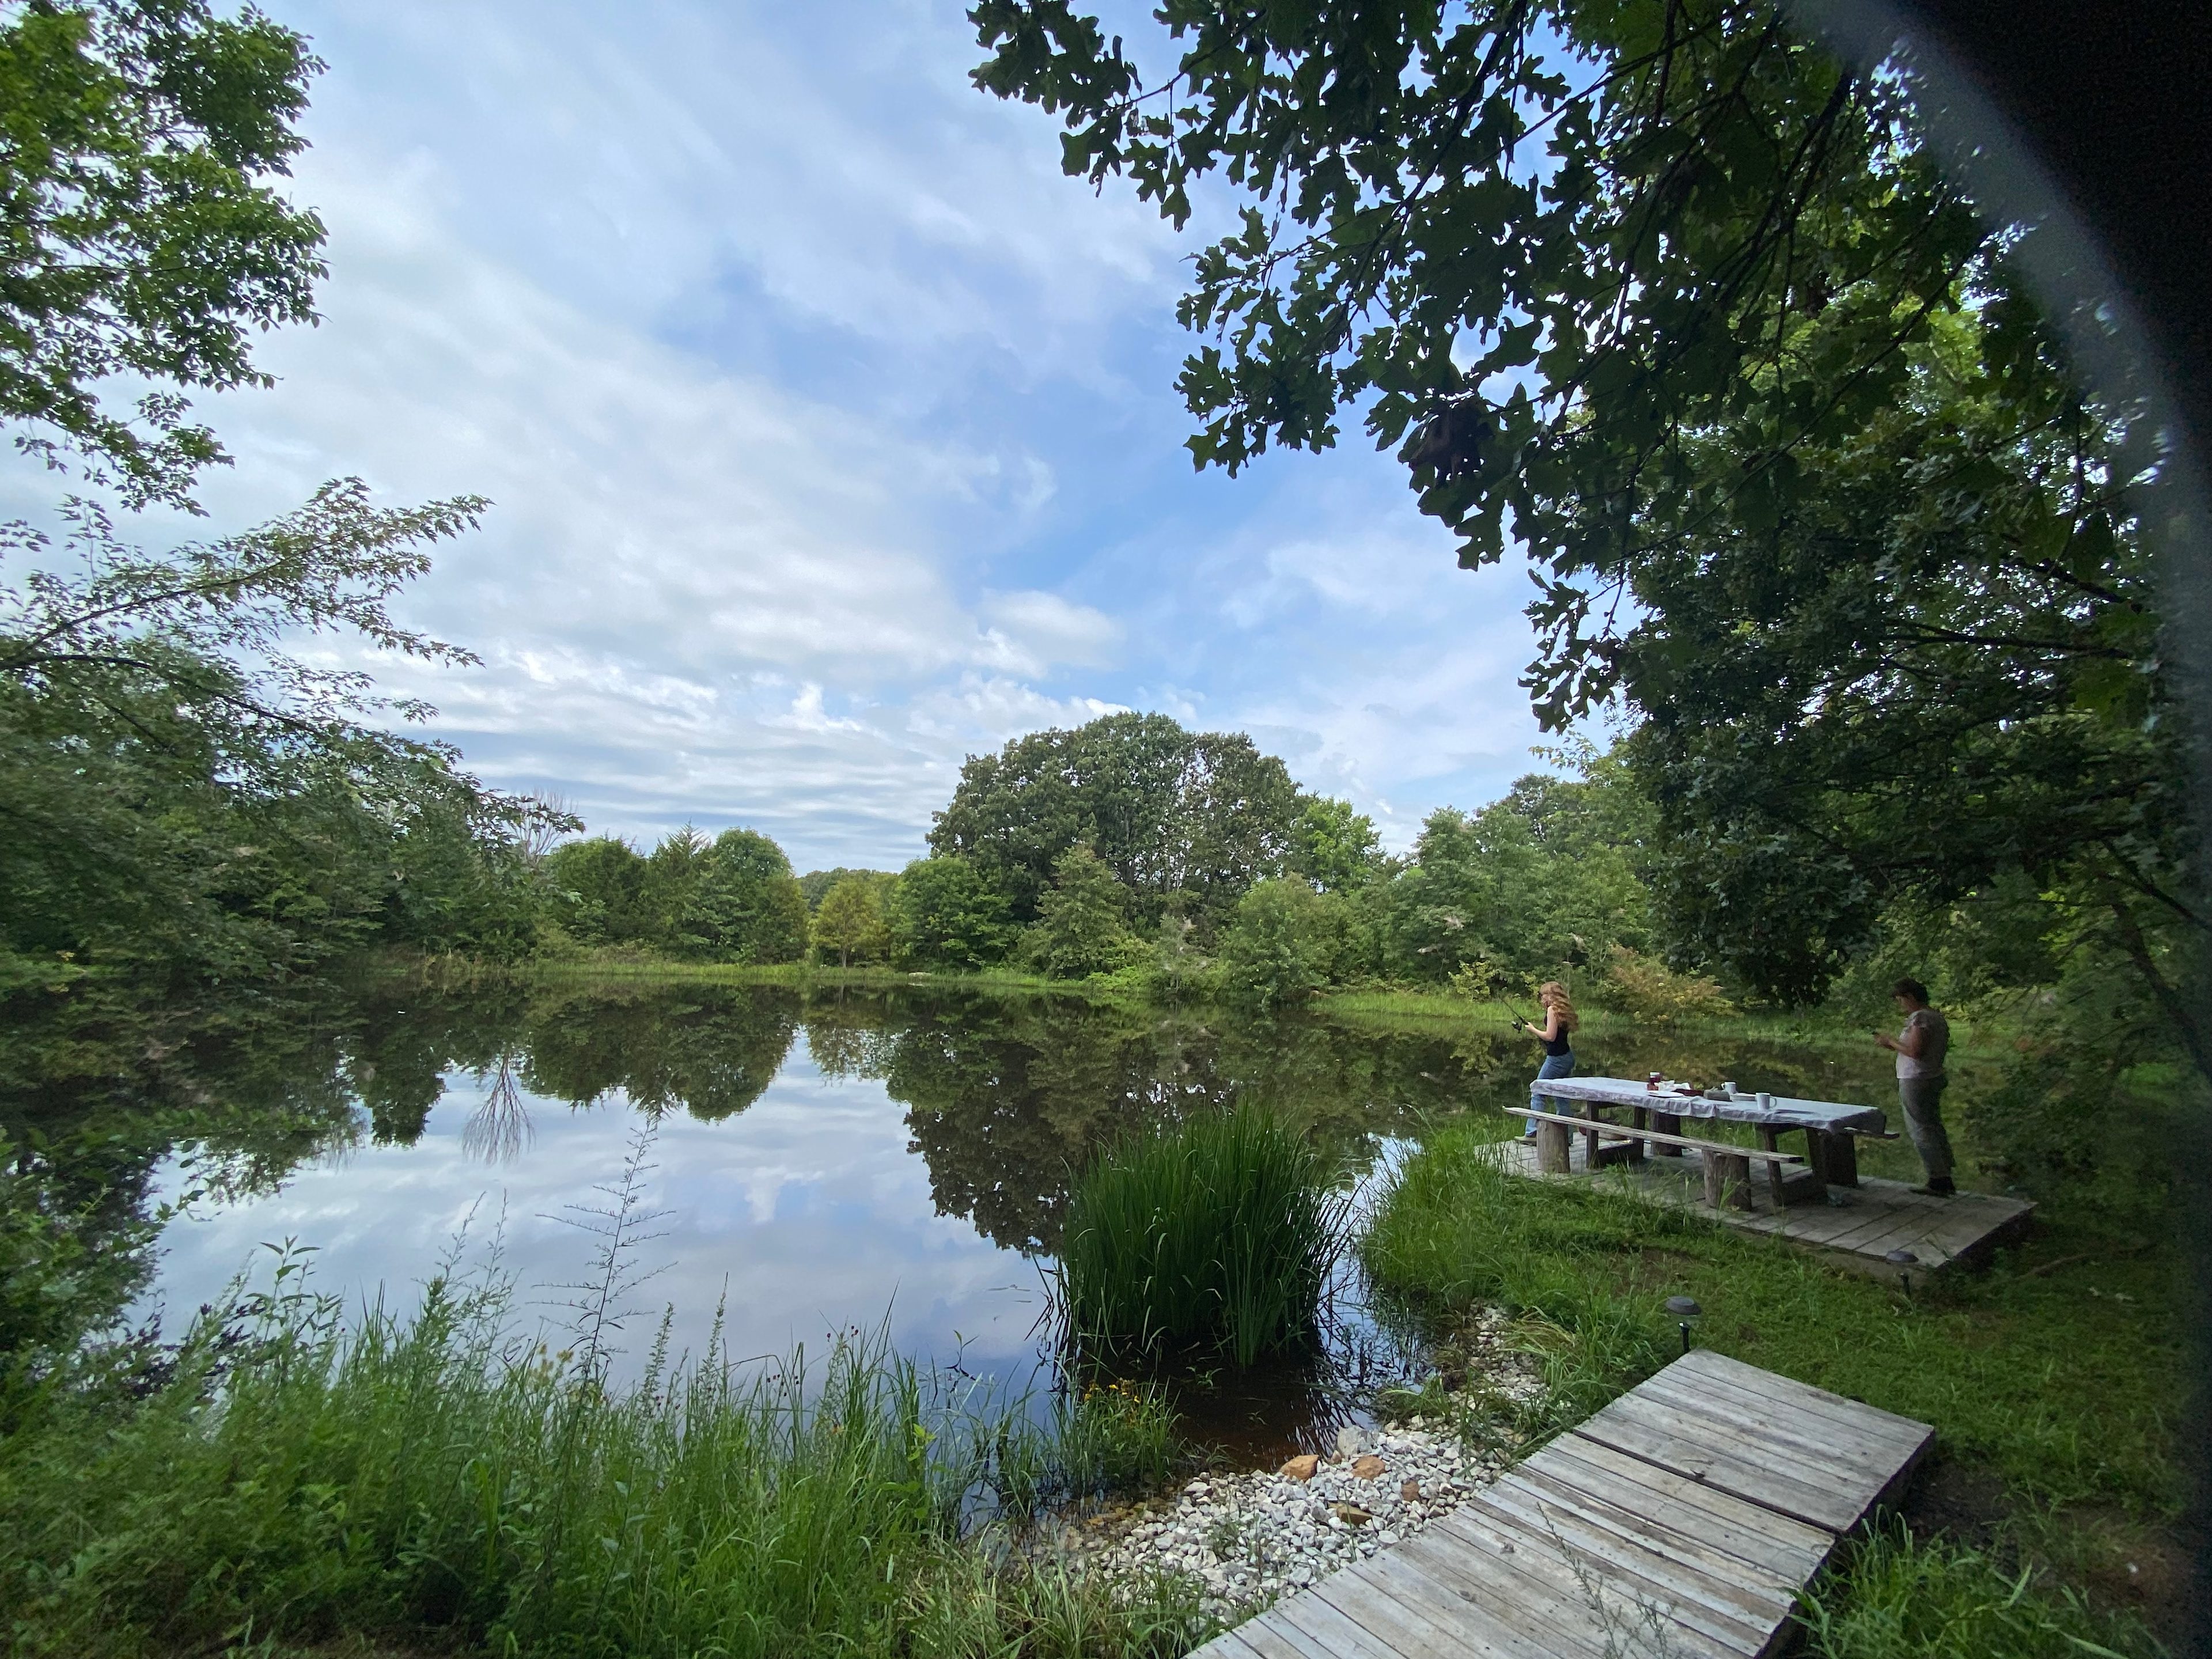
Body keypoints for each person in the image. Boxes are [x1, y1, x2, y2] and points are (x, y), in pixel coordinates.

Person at [1874, 977, 1955, 1196]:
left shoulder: (1920, 1018)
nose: (1901, 1005)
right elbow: (1916, 1049)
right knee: (1933, 1124)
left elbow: (1915, 1052)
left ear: (1910, 997)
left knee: (1920, 1128)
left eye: (1901, 1000)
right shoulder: (1936, 1016)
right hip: (1932, 1076)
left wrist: (1889, 1041)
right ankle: (1944, 1172)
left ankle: (1938, 1179)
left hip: (1917, 1080)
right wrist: (1894, 1046)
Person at [1520, 982, 1578, 1137]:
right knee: (1562, 1097)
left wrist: (1533, 1030)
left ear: (1550, 996)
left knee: (1538, 1092)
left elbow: (1551, 1037)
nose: (1542, 998)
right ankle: (1566, 1137)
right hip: (1567, 1056)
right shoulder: (1563, 1010)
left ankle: (1533, 1133)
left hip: (1557, 1060)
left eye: (1543, 995)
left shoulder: (1552, 1010)